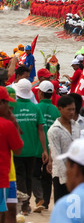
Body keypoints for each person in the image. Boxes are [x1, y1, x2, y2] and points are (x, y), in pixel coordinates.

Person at [12, 78, 48, 215]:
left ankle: (24, 205)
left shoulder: (13, 107)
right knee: (28, 177)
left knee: (20, 177)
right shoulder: (36, 108)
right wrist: (44, 149)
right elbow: (41, 130)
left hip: (17, 150)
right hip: (33, 150)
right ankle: (26, 204)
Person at [47, 95, 81, 203]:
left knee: (74, 210)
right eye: (69, 109)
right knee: (61, 207)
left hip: (76, 174)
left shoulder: (76, 126)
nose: (72, 112)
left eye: (73, 109)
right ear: (60, 109)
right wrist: (67, 178)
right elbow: (56, 156)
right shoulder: (54, 130)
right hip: (60, 176)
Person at [34, 80, 60, 212]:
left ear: (40, 93)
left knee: (34, 175)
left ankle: (39, 198)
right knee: (47, 176)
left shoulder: (36, 108)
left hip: (36, 148)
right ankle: (45, 203)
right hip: (52, 150)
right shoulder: (56, 110)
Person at [0, 86, 24, 223]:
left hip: (7, 176)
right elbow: (18, 150)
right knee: (5, 213)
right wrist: (13, 123)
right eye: (6, 103)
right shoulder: (7, 125)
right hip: (3, 177)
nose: (9, 106)